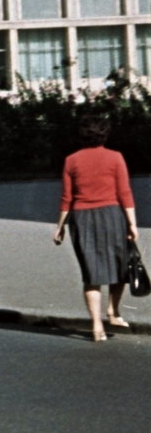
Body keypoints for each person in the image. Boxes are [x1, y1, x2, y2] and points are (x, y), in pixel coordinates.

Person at [52, 116, 139, 341]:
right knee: (120, 265)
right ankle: (113, 310)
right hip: (112, 215)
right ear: (104, 134)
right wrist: (132, 223)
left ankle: (97, 325)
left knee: (92, 272)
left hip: (82, 219)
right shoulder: (115, 157)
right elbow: (125, 193)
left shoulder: (71, 160)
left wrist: (60, 227)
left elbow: (66, 198)